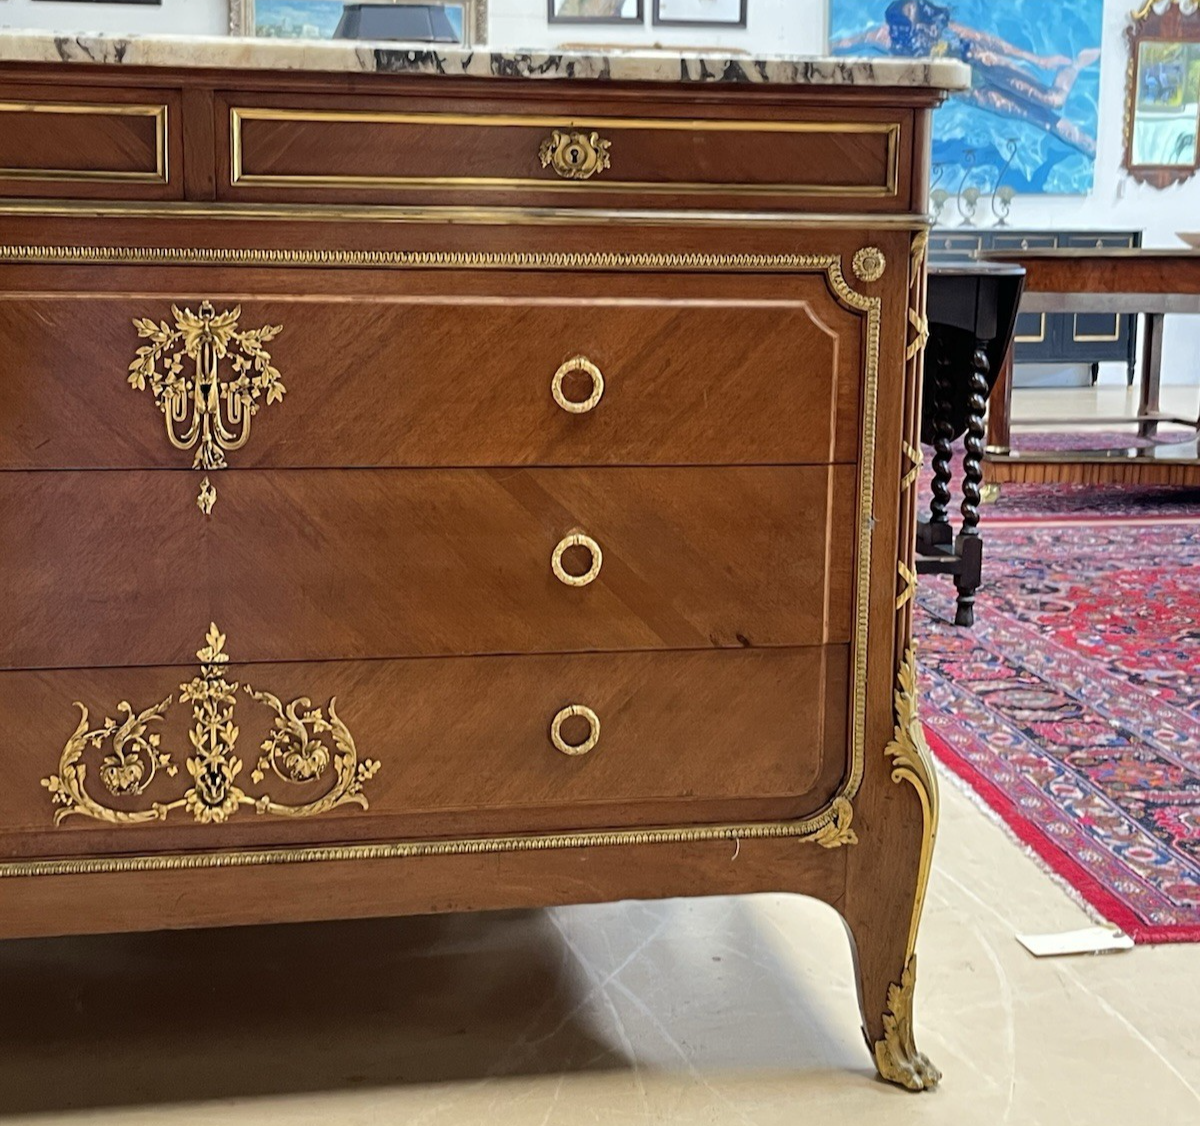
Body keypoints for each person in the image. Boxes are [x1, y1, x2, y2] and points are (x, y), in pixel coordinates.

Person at [833, 0, 1102, 156]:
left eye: (913, 26)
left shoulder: (942, 28)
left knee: (1052, 100)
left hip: (986, 64)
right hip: (972, 91)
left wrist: (1037, 60)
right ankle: (1092, 149)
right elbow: (845, 42)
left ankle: (1076, 64)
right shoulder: (886, 37)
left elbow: (992, 43)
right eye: (903, 26)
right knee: (1039, 119)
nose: (909, 33)